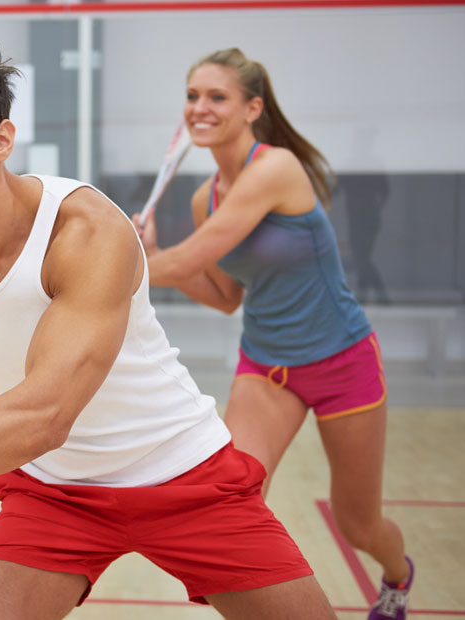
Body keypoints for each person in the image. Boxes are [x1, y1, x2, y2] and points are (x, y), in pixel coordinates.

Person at [0, 42, 339, 619]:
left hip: (180, 470)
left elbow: (45, 415)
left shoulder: (85, 230)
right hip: (54, 493)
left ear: (1, 140)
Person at [132, 48, 412, 619]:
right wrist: (153, 254)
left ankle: (398, 577)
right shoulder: (201, 196)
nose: (200, 108)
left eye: (217, 97)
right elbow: (224, 295)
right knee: (232, 502)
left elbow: (194, 258)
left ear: (251, 108)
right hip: (266, 367)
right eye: (192, 96)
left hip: (343, 362)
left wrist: (113, 264)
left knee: (357, 522)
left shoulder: (276, 168)